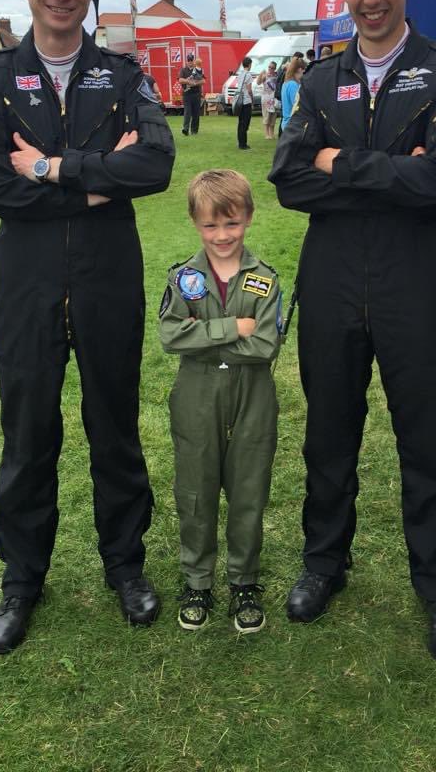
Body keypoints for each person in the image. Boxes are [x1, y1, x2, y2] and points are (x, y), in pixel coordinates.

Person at [0, 0, 175, 654]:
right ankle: (22, 578)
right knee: (28, 432)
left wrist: (55, 170)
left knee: (113, 424)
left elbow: (153, 165)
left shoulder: (122, 76)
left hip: (108, 275)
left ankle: (125, 565)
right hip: (26, 280)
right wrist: (92, 185)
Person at [268, 0, 436, 666]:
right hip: (330, 280)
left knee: (429, 443)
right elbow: (288, 180)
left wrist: (338, 162)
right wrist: (384, 171)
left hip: (416, 283)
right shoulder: (320, 78)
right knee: (328, 433)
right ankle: (324, 562)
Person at [159, 169, 281, 633]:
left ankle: (244, 581)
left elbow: (265, 345)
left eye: (231, 224)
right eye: (211, 226)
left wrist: (202, 336)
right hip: (196, 392)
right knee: (196, 488)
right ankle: (197, 581)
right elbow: (171, 335)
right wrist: (233, 328)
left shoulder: (263, 280)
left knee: (249, 488)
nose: (222, 235)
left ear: (247, 217)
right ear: (195, 223)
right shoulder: (185, 277)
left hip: (253, 395)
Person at [179, 53, 204, 135]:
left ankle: (194, 131)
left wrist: (195, 83)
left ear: (194, 61)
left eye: (191, 60)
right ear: (187, 61)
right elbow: (180, 80)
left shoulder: (198, 69)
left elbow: (203, 81)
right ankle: (185, 129)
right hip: (186, 94)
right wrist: (188, 81)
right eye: (188, 60)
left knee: (196, 113)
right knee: (187, 112)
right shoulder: (183, 70)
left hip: (196, 94)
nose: (190, 62)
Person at [280, 57, 304, 134]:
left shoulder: (286, 83)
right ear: (300, 69)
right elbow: (297, 105)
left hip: (287, 123)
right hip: (292, 125)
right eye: (304, 70)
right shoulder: (293, 84)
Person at [256, 61, 278, 139]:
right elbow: (258, 83)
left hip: (274, 99)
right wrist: (261, 74)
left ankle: (272, 134)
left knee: (273, 116)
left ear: (275, 68)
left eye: (272, 68)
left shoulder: (277, 75)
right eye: (269, 67)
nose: (270, 69)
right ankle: (267, 134)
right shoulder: (265, 75)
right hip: (266, 98)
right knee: (266, 116)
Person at [235, 56, 253, 150]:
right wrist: (252, 98)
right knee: (245, 123)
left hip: (239, 101)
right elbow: (249, 90)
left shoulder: (240, 74)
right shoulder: (248, 75)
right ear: (249, 64)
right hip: (246, 101)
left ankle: (240, 142)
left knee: (240, 122)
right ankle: (243, 144)